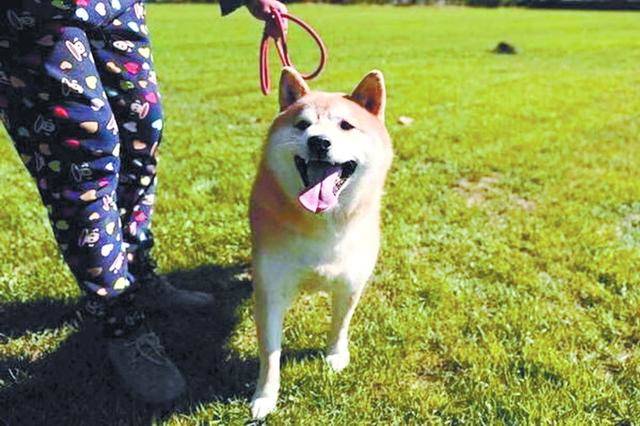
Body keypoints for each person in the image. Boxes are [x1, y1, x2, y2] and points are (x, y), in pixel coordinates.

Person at [0, 0, 287, 404]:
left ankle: (138, 275)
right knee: (83, 158)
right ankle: (121, 322)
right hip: (35, 14)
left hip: (117, 6)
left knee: (143, 131)